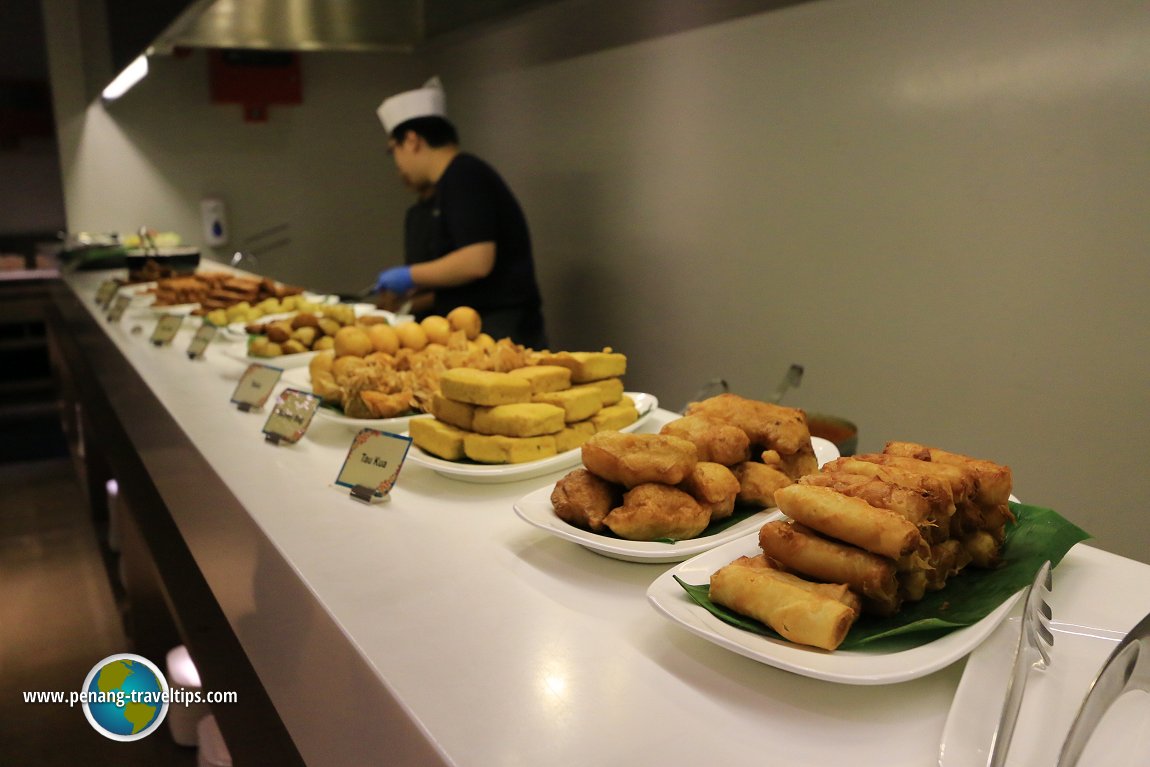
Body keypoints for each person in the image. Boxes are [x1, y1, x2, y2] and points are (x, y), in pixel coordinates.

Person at [374, 77, 548, 349]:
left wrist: (409, 275)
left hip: (501, 331)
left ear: (411, 141)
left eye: (393, 150)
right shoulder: (448, 185)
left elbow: (476, 262)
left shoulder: (464, 175)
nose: (398, 164)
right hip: (482, 328)